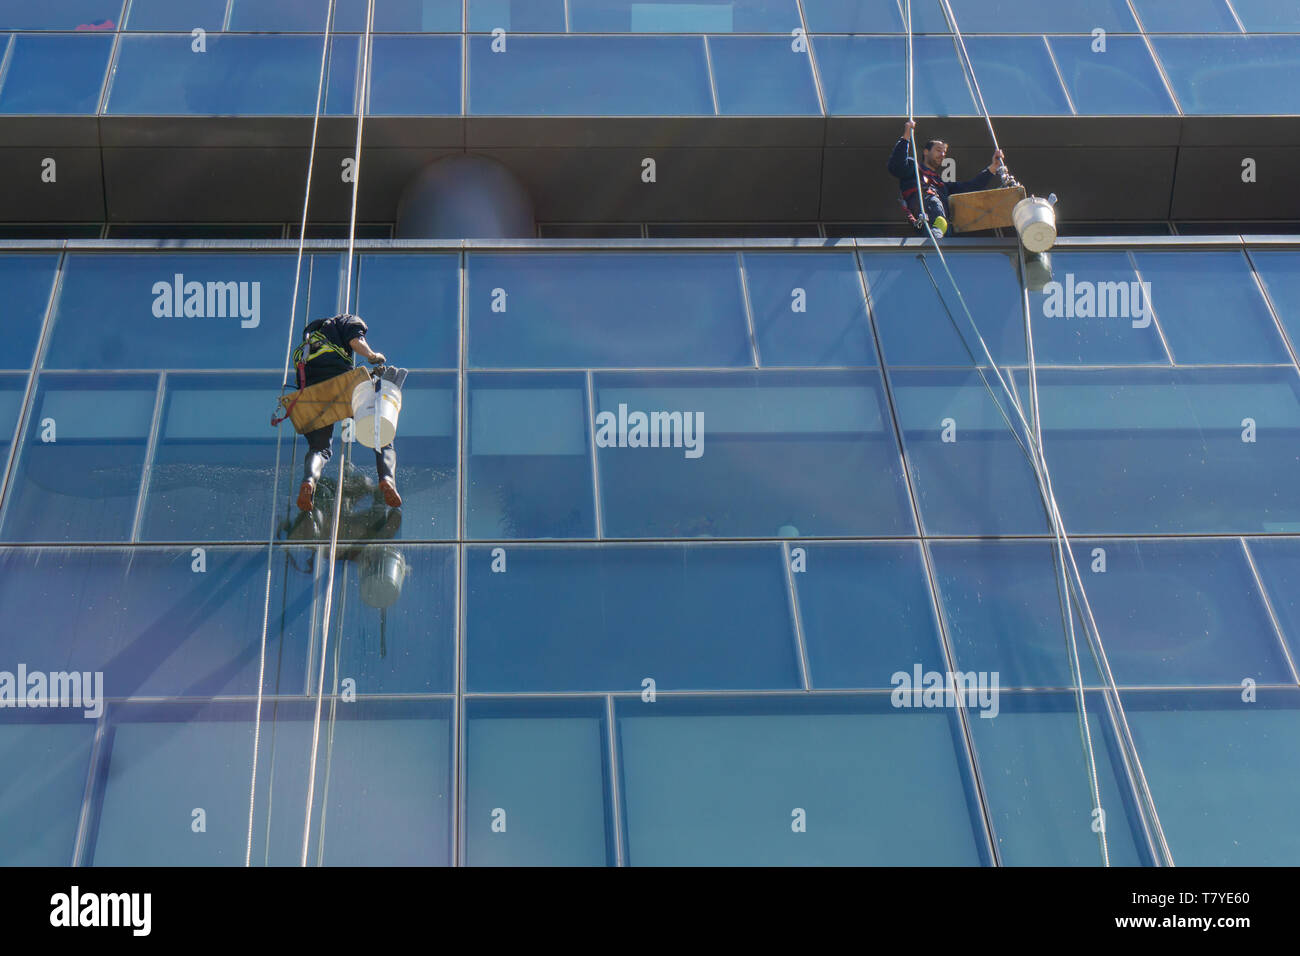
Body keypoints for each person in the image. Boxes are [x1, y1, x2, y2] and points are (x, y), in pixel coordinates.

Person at [294, 313, 402, 511]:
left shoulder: (314, 333)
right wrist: (372, 356)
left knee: (320, 449)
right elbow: (356, 340)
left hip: (311, 391)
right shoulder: (348, 320)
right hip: (340, 382)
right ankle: (387, 479)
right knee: (382, 436)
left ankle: (309, 480)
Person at [888, 120, 1006, 238]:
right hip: (923, 216)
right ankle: (937, 231)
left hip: (942, 227)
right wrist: (906, 136)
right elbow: (896, 166)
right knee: (933, 203)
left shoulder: (942, 186)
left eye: (944, 152)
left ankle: (939, 231)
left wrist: (993, 167)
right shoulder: (913, 170)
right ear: (926, 152)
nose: (943, 154)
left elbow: (970, 187)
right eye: (938, 150)